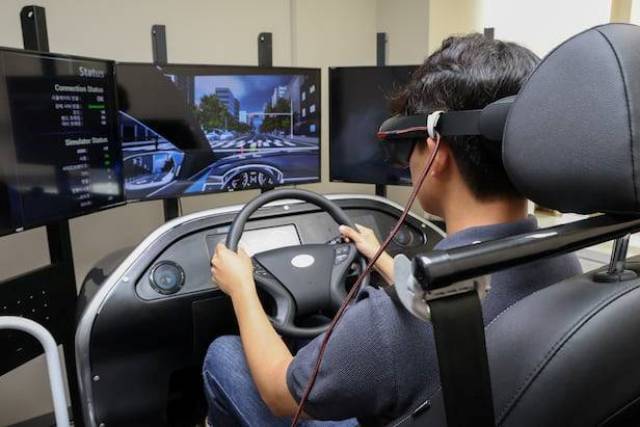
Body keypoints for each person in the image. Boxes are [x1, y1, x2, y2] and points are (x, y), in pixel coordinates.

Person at [203, 34, 583, 426]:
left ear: (436, 153)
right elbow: (457, 305)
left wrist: (242, 288)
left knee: (224, 353)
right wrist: (385, 261)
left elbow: (280, 394)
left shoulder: (387, 325)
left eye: (409, 145)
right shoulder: (564, 262)